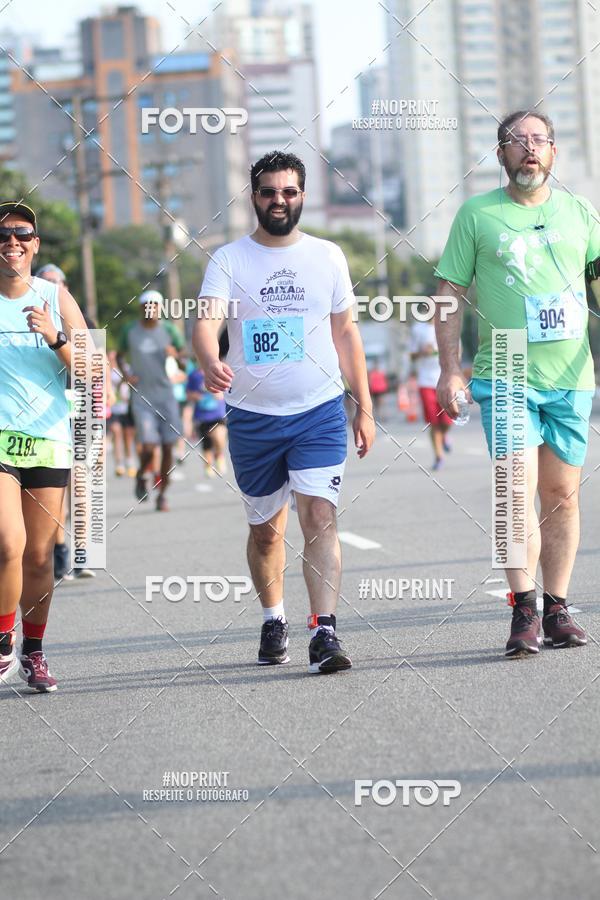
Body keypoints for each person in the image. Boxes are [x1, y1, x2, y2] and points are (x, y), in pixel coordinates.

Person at [193, 150, 375, 673]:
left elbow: (346, 332)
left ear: (303, 196)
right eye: (269, 191)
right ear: (254, 196)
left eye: (289, 192)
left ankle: (325, 632)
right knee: (266, 531)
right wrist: (209, 358)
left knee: (319, 514)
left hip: (317, 410)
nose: (280, 200)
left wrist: (361, 405)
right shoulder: (229, 259)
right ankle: (274, 618)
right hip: (252, 415)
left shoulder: (327, 256)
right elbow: (207, 322)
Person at [435, 110, 599, 657]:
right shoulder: (477, 215)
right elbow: (448, 293)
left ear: (555, 152)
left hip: (572, 373)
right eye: (517, 141)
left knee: (562, 497)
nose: (529, 148)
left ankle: (557, 606)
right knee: (512, 490)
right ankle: (523, 607)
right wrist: (449, 367)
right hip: (506, 365)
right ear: (499, 153)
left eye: (539, 140)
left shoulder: (579, 212)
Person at [0, 201, 88, 690]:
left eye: (21, 234)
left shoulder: (56, 297)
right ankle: (2, 641)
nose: (11, 242)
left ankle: (33, 650)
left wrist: (56, 339)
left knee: (38, 556)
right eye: (3, 235)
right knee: (5, 542)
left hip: (48, 440)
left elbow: (95, 374)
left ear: (35, 244)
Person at [117, 290, 185, 512]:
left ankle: (162, 494)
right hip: (142, 396)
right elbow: (119, 355)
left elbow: (185, 361)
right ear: (141, 308)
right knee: (148, 445)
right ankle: (140, 474)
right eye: (148, 305)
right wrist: (126, 375)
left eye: (156, 305)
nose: (151, 309)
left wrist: (175, 355)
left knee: (167, 446)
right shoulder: (130, 330)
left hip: (166, 396)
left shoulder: (168, 330)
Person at [409, 315, 454, 470]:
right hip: (426, 382)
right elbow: (412, 355)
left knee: (448, 420)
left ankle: (445, 435)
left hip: (446, 379)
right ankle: (439, 456)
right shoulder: (418, 329)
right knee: (433, 422)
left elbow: (457, 352)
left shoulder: (449, 327)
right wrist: (422, 352)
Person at [186, 363, 228, 477]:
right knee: (207, 445)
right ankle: (208, 465)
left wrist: (221, 393)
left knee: (219, 437)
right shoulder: (194, 376)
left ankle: (219, 455)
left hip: (218, 414)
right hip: (202, 416)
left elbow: (229, 388)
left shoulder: (220, 370)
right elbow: (188, 394)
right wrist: (197, 396)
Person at [107, 349, 136, 477]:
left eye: (114, 357)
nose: (112, 359)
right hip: (112, 408)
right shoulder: (105, 370)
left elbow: (132, 381)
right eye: (110, 357)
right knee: (116, 433)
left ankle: (129, 461)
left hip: (126, 407)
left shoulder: (125, 369)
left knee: (128, 437)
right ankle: (119, 464)